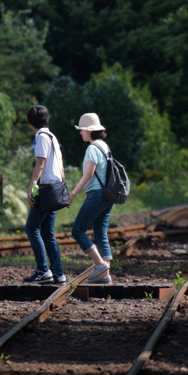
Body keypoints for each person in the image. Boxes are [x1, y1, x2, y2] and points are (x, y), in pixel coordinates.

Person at [68, 113, 114, 284]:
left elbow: (88, 174)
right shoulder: (105, 146)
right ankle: (105, 276)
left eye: (82, 130)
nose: (80, 133)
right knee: (101, 232)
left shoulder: (92, 148)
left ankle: (100, 265)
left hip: (96, 194)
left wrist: (72, 194)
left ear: (89, 131)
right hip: (108, 195)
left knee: (77, 230)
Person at [23, 105, 67, 283]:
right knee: (48, 233)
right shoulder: (53, 137)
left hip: (46, 189)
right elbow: (61, 167)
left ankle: (43, 270)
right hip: (56, 189)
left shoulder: (41, 137)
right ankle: (58, 273)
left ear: (30, 122)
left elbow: (40, 165)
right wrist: (63, 191)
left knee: (31, 228)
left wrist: (32, 189)